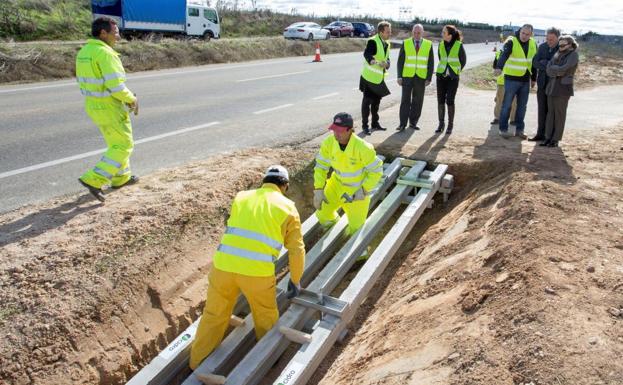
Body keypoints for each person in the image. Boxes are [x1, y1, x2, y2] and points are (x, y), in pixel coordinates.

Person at [189, 165, 306, 370]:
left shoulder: (241, 197)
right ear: (284, 186)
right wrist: (295, 280)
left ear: (264, 181)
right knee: (265, 316)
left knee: (214, 315)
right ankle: (270, 359)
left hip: (223, 267)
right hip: (257, 273)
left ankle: (197, 363)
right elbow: (296, 250)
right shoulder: (288, 207)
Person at [76, 17, 139, 202]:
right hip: (110, 107)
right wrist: (132, 99)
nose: (118, 35)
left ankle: (122, 178)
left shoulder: (85, 52)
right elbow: (116, 86)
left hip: (93, 105)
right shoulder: (106, 54)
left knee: (115, 143)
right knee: (124, 145)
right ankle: (94, 179)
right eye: (115, 31)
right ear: (103, 33)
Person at [313, 113, 383, 242]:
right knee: (322, 213)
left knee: (357, 230)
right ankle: (334, 233)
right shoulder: (329, 143)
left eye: (340, 131)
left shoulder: (362, 147)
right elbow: (321, 166)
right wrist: (318, 189)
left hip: (356, 191)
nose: (336, 134)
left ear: (350, 130)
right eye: (334, 130)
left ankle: (359, 258)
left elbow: (376, 170)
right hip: (336, 184)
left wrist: (363, 190)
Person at [495, 24, 538, 139]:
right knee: (507, 105)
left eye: (527, 34)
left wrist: (534, 78)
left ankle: (520, 130)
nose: (524, 36)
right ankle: (503, 129)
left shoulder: (533, 43)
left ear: (531, 34)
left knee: (522, 106)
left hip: (525, 80)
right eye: (523, 33)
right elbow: (504, 55)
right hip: (511, 79)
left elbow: (533, 62)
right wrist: (499, 67)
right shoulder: (511, 41)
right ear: (520, 31)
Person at [541, 35, 579, 147]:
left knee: (559, 114)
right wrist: (556, 70)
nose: (560, 47)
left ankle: (555, 139)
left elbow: (564, 69)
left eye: (563, 45)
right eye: (560, 44)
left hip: (563, 89)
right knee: (550, 114)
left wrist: (555, 69)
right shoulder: (557, 53)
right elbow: (548, 69)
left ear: (570, 45)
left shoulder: (573, 55)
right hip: (551, 88)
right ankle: (547, 138)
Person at [396, 24, 434, 131]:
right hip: (407, 76)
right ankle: (402, 124)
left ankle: (413, 122)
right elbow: (400, 61)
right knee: (405, 100)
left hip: (421, 77)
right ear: (412, 32)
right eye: (414, 32)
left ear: (423, 33)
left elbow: (430, 62)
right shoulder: (406, 43)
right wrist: (399, 76)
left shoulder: (428, 44)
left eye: (419, 33)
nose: (416, 35)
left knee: (418, 101)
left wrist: (429, 77)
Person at [359, 21, 392, 135]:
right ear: (381, 31)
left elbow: (387, 59)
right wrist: (371, 60)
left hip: (378, 78)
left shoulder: (387, 43)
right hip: (369, 77)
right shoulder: (373, 41)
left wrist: (387, 64)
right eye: (388, 32)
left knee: (376, 102)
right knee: (367, 102)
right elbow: (367, 53)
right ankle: (365, 126)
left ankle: (375, 124)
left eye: (389, 31)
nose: (389, 33)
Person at [435, 25, 466, 135]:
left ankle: (450, 125)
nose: (442, 34)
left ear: (450, 35)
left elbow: (463, 61)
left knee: (450, 100)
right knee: (440, 100)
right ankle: (441, 123)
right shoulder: (441, 44)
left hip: (453, 78)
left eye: (444, 32)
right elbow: (441, 58)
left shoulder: (458, 45)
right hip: (441, 77)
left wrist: (455, 71)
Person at [530, 27, 560, 141]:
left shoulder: (561, 49)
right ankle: (540, 134)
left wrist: (545, 63)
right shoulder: (542, 47)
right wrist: (548, 65)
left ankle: (551, 136)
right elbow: (535, 62)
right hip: (542, 84)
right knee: (541, 110)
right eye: (547, 39)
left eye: (551, 39)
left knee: (552, 111)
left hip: (555, 85)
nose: (549, 41)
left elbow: (558, 67)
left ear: (558, 38)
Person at [491, 45, 517, 125]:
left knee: (514, 102)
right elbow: (495, 66)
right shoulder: (499, 53)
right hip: (502, 82)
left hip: (513, 81)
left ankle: (512, 119)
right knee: (500, 100)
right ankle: (497, 118)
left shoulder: (517, 54)